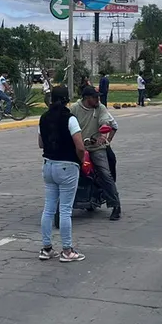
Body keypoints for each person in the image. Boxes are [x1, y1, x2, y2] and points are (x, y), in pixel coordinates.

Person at [38, 85, 87, 263]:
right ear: (67, 99)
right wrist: (80, 161)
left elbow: (41, 143)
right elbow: (80, 146)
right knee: (65, 209)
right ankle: (67, 250)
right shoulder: (70, 119)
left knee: (49, 208)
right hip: (67, 165)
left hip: (48, 165)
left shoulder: (43, 118)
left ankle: (46, 248)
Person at [73, 86, 121, 220]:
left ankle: (115, 205)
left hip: (95, 147)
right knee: (66, 171)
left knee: (105, 173)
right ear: (87, 98)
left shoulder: (100, 108)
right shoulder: (75, 109)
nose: (97, 99)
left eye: (98, 97)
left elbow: (104, 122)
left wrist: (103, 136)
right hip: (79, 147)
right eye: (95, 97)